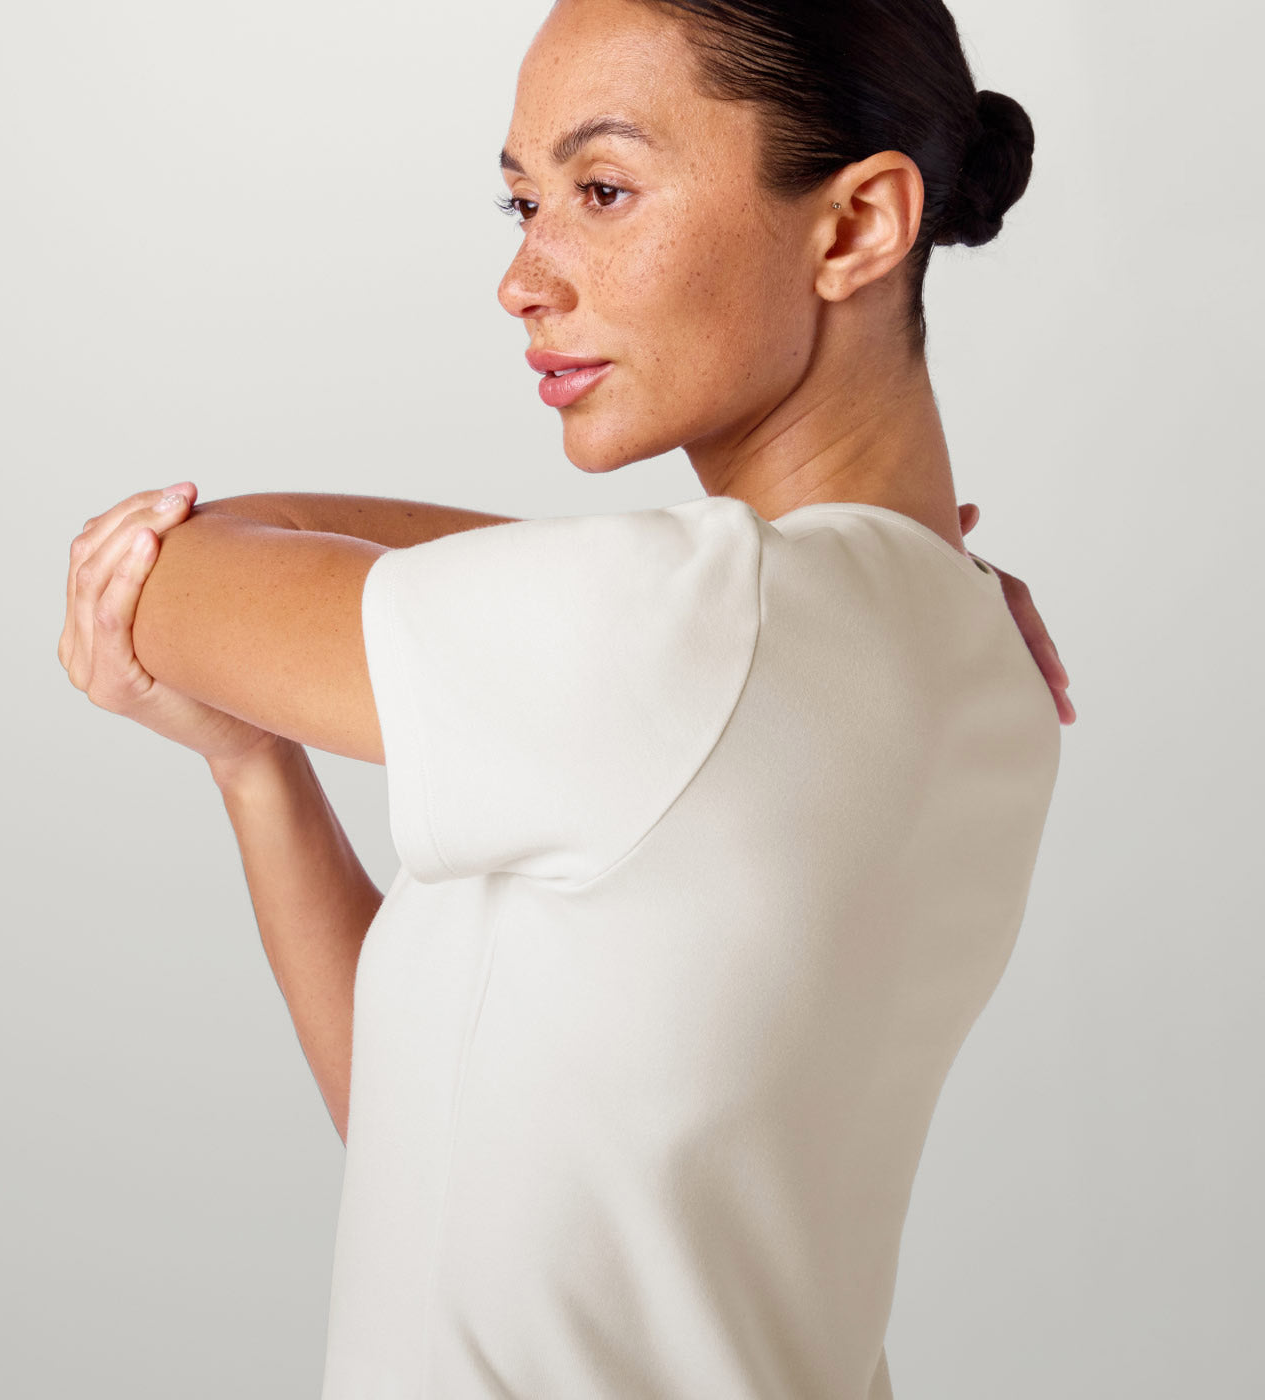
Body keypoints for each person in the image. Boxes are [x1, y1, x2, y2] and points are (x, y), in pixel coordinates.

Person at [58, 0, 1075, 1395]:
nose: (522, 278)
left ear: (853, 227)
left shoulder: (679, 623)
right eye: (520, 200)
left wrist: (661, 579)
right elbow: (438, 1142)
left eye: (601, 191)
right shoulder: (969, 651)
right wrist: (255, 767)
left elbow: (166, 571)